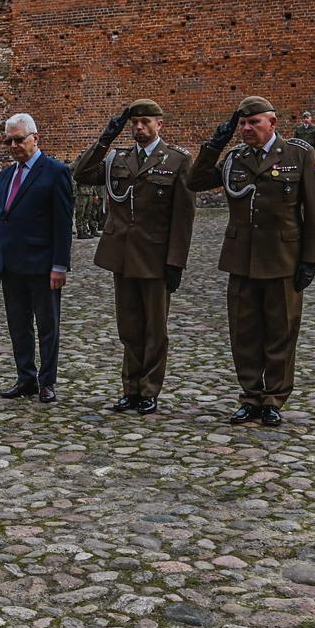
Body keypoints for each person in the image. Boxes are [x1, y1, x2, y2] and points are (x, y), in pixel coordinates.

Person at [187, 96, 315, 427]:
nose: (247, 129)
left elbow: (314, 210)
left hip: (283, 258)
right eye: (243, 124)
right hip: (242, 259)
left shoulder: (298, 155)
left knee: (281, 331)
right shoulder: (236, 157)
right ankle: (250, 396)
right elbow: (195, 181)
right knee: (245, 332)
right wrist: (215, 144)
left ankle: (274, 398)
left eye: (254, 123)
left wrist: (311, 259)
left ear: (272, 123)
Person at [71, 100, 195, 415]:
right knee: (128, 327)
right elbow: (82, 173)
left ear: (159, 125)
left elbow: (183, 217)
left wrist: (176, 262)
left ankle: (149, 390)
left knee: (155, 329)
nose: (139, 128)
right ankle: (130, 388)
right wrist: (104, 139)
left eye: (145, 122)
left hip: (155, 257)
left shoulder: (177, 161)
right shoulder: (118, 159)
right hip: (122, 256)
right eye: (134, 123)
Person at [0, 114, 73, 404]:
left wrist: (60, 265)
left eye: (19, 139)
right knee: (18, 325)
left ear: (36, 138)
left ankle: (47, 381)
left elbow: (62, 224)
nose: (14, 145)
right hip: (11, 265)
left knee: (47, 326)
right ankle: (25, 378)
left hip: (42, 265)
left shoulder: (55, 172)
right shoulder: (7, 175)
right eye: (9, 140)